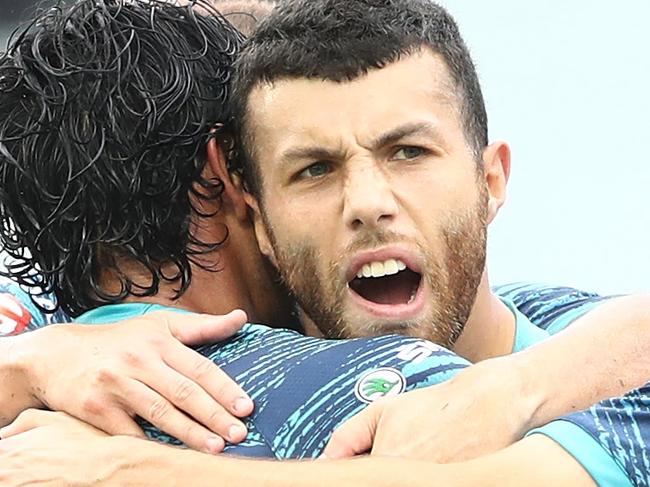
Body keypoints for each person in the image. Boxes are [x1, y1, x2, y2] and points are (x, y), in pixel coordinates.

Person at [0, 0, 649, 485]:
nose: (367, 204)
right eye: (312, 169)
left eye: (408, 151)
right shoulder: (60, 350)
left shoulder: (583, 347)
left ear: (491, 178)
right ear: (246, 199)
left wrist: (129, 466)